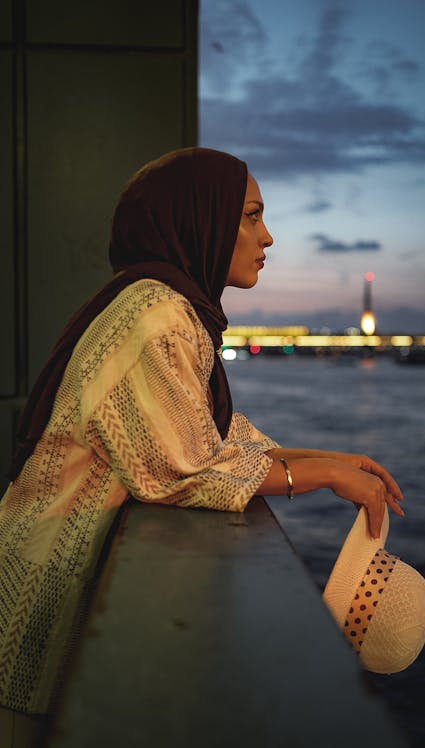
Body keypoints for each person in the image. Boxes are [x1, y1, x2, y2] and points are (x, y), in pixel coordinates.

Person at [0, 147, 404, 719]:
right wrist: (321, 478)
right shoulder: (156, 313)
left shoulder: (165, 305)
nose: (268, 238)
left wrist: (333, 460)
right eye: (251, 216)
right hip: (36, 600)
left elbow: (204, 430)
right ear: (201, 219)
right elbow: (185, 468)